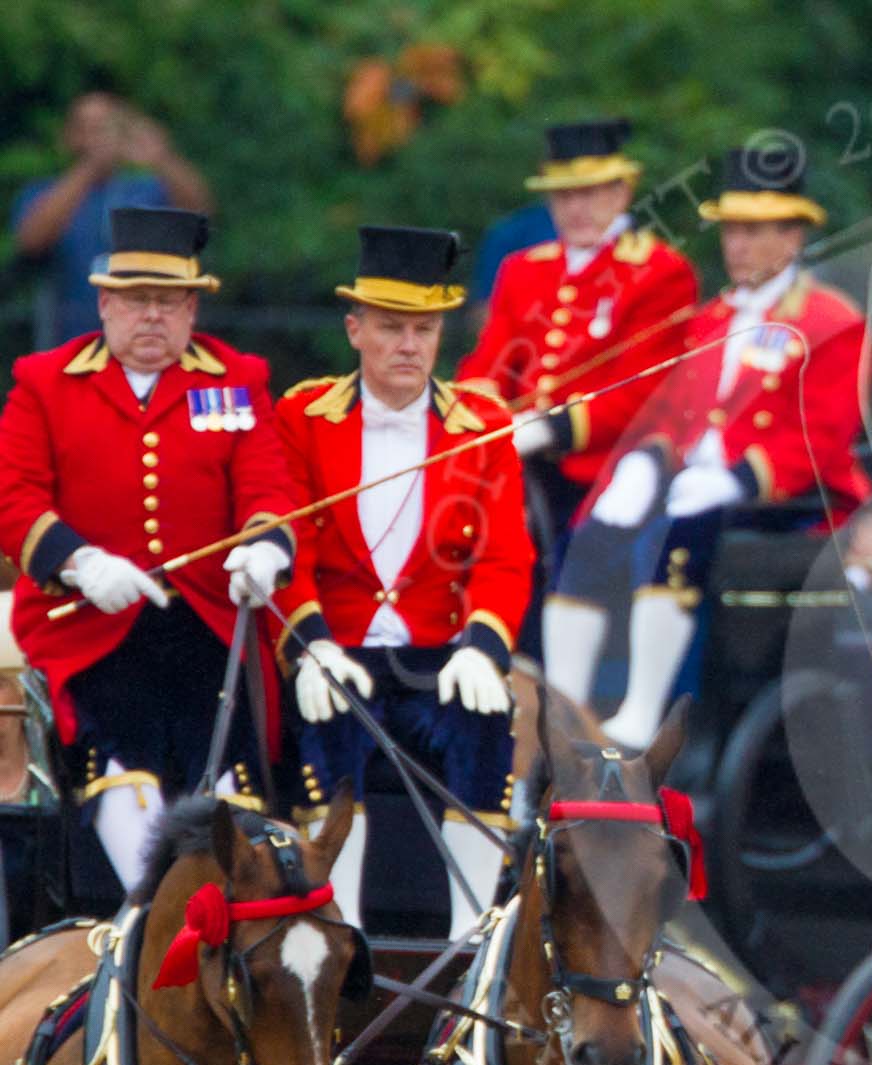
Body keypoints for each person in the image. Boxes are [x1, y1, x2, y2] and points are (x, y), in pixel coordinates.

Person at [0, 207, 298, 889]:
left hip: (206, 619)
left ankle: (229, 900)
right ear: (104, 302)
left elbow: (269, 488)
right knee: (118, 750)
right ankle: (149, 907)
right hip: (89, 624)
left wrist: (264, 550)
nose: (152, 318)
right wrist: (79, 562)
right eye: (136, 302)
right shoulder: (46, 382)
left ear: (193, 309)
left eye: (168, 302)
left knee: (228, 761)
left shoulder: (235, 379)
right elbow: (13, 499)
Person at [543, 148, 872, 750]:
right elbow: (668, 411)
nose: (735, 246)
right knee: (584, 538)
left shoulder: (830, 320)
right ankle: (565, 715)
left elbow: (823, 435)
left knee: (674, 533)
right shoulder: (710, 320)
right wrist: (643, 464)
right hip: (691, 483)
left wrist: (741, 479)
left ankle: (643, 713)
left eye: (751, 232)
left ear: (792, 235)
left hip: (789, 504)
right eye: (730, 231)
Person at [272, 227, 534, 938]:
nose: (409, 345)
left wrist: (482, 646)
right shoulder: (301, 418)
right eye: (391, 328)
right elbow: (285, 544)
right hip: (340, 649)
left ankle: (474, 931)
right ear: (355, 330)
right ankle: (339, 928)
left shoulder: (481, 425)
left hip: (437, 656)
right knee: (330, 726)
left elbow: (506, 557)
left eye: (424, 328)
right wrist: (311, 645)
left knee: (484, 724)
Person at [456, 118, 699, 629]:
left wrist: (549, 429)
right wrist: (475, 417)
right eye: (564, 195)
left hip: (604, 463)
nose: (576, 208)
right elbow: (489, 364)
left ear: (622, 190)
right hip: (519, 460)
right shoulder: (524, 269)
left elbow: (642, 392)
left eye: (590, 193)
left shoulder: (658, 271)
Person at [10, 92, 215, 349]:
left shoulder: (146, 189)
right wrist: (90, 169)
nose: (102, 138)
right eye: (92, 129)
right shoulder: (45, 193)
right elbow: (31, 241)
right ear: (71, 136)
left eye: (109, 128)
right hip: (71, 344)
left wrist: (162, 158)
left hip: (146, 346)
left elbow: (200, 214)